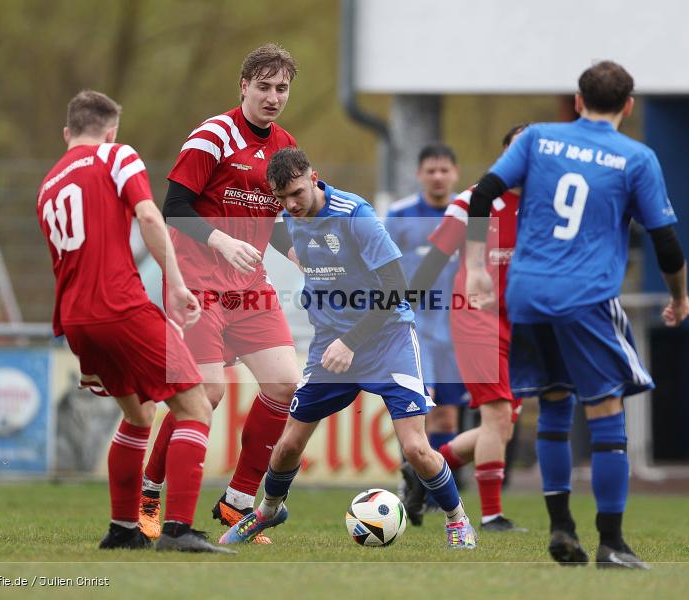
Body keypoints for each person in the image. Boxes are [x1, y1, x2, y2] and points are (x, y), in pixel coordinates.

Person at [464, 61, 689, 569]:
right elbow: (666, 241)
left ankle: (561, 527)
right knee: (607, 413)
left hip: (527, 295)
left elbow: (482, 193)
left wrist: (478, 270)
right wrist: (679, 296)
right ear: (628, 106)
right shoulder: (636, 156)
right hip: (586, 297)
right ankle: (612, 543)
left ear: (577, 99)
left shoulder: (539, 138)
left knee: (555, 404)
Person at [218, 147, 476, 549]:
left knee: (415, 448)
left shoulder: (357, 215)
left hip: (387, 339)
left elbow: (396, 291)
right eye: (281, 198)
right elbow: (277, 229)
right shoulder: (290, 214)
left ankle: (457, 520)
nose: (290, 205)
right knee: (287, 445)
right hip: (331, 345)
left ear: (314, 177)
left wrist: (350, 341)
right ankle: (268, 511)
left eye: (297, 194)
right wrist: (296, 256)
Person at [37, 90, 230, 553]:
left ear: (67, 133)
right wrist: (178, 285)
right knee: (197, 403)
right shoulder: (116, 155)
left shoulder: (47, 185)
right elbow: (148, 213)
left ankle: (123, 529)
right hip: (120, 306)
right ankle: (179, 530)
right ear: (110, 131)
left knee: (139, 414)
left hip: (77, 318)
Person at [138, 44, 302, 543]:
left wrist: (302, 257)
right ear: (244, 86)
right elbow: (174, 207)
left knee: (284, 385)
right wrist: (222, 240)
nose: (273, 97)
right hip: (198, 286)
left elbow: (272, 219)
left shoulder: (285, 144)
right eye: (264, 87)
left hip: (249, 290)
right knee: (204, 396)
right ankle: (149, 492)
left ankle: (237, 503)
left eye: (282, 89)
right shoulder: (214, 135)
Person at [406, 125, 528, 533]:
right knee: (494, 416)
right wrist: (403, 307)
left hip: (524, 323)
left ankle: (423, 475)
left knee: (505, 422)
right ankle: (492, 516)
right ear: (505, 156)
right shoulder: (472, 201)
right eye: (517, 151)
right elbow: (435, 259)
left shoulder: (547, 205)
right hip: (476, 318)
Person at [385, 144, 468, 515]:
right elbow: (381, 266)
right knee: (424, 414)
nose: (437, 176)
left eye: (443, 170)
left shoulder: (467, 216)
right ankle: (417, 481)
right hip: (415, 332)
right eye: (430, 170)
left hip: (457, 333)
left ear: (455, 173)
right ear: (420, 174)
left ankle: (430, 494)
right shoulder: (400, 215)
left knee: (448, 417)